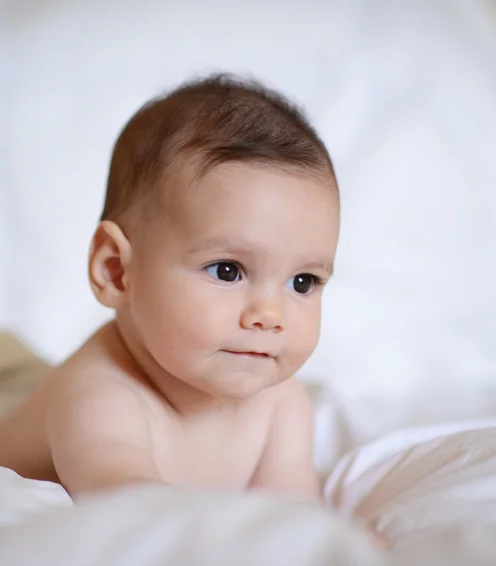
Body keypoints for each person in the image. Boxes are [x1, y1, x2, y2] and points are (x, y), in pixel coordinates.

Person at [0, 74, 386, 546]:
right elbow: (133, 503)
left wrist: (329, 541)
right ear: (117, 271)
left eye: (302, 282)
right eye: (228, 270)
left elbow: (289, 505)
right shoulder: (99, 396)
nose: (270, 314)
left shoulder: (282, 403)